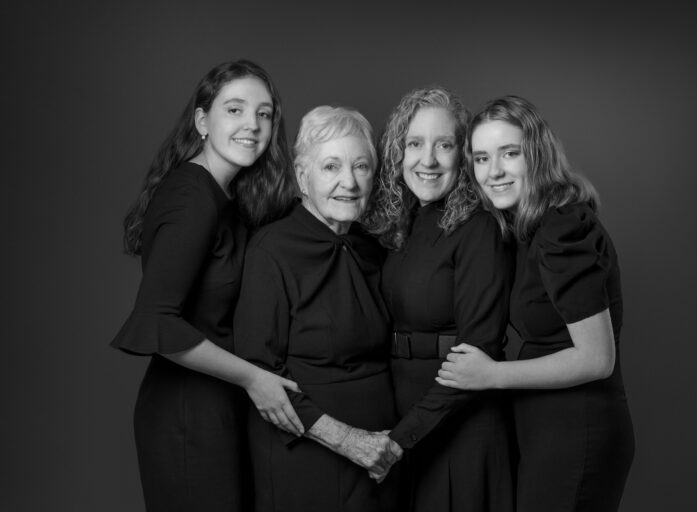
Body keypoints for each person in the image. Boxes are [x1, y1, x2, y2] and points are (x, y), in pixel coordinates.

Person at [111, 60, 301, 512]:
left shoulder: (226, 198)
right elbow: (158, 323)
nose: (252, 126)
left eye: (264, 113)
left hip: (215, 406)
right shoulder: (191, 196)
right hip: (186, 414)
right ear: (202, 120)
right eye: (234, 110)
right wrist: (257, 379)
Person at [437, 95, 635, 512]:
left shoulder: (562, 227)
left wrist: (491, 375)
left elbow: (597, 358)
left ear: (537, 155)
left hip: (577, 432)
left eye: (510, 154)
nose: (494, 172)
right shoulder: (529, 226)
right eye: (480, 158)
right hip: (545, 429)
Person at [233, 106, 401, 512]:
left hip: (381, 459)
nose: (349, 182)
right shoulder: (271, 250)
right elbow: (260, 372)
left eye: (361, 166)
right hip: (309, 459)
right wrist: (348, 441)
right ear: (301, 176)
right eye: (331, 167)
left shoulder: (371, 247)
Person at [364, 87, 514, 511]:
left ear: (462, 155)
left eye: (444, 145)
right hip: (404, 421)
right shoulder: (399, 225)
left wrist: (399, 440)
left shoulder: (479, 227)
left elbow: (477, 352)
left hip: (459, 427)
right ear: (398, 152)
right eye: (414, 144)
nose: (427, 160)